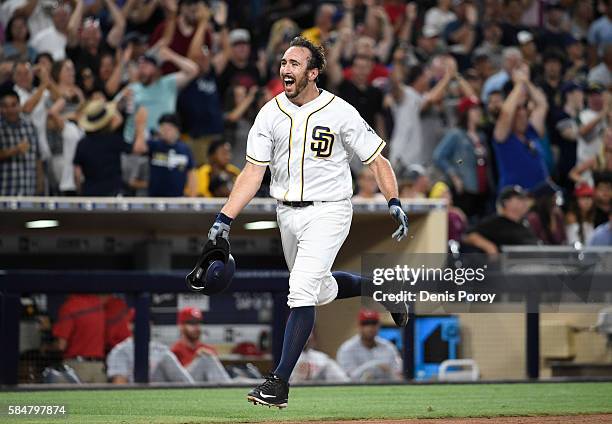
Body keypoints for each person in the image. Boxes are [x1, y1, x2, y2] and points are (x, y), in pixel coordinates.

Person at [205, 36, 409, 408]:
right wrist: (224, 217)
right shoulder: (269, 112)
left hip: (330, 209)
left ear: (313, 73)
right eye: (284, 62)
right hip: (286, 212)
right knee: (319, 290)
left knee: (299, 289)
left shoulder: (341, 111)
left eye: (295, 64)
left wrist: (393, 199)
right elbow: (253, 172)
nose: (286, 68)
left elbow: (377, 160)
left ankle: (278, 383)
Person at [122, 46, 198, 143]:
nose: (141, 69)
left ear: (156, 69)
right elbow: (116, 108)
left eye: (145, 66)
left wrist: (171, 56)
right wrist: (123, 102)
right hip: (135, 142)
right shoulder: (132, 88)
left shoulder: (168, 83)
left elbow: (193, 70)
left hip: (163, 142)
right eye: (140, 66)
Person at [492, 64, 550, 191]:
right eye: (518, 112)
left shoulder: (531, 131)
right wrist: (518, 85)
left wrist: (526, 81)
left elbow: (542, 104)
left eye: (524, 111)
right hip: (515, 199)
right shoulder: (503, 136)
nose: (523, 114)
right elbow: (506, 113)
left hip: (539, 196)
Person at [433, 96, 492, 220]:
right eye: (474, 109)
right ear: (466, 112)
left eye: (478, 109)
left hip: (483, 188)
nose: (478, 112)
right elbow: (438, 156)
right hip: (465, 188)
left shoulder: (481, 136)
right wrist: (454, 176)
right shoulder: (456, 134)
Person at [73, 99, 131, 196]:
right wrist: (111, 108)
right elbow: (118, 120)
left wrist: (80, 191)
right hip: (113, 192)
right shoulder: (114, 140)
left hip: (90, 192)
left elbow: (77, 173)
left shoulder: (82, 144)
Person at [132, 111, 197, 197]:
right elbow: (138, 149)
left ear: (177, 130)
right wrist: (140, 125)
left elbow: (191, 173)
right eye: (162, 128)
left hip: (177, 197)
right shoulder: (154, 145)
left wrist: (193, 195)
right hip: (155, 196)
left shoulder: (184, 149)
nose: (165, 132)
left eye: (168, 129)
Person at [462, 185, 539, 254]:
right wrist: (489, 246)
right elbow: (468, 235)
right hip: (511, 265)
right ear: (506, 203)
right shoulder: (495, 222)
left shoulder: (524, 223)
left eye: (524, 199)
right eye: (519, 199)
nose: (524, 202)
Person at [52, 294, 107, 383]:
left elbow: (61, 345)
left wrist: (45, 347)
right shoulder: (98, 302)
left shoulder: (70, 305)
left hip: (77, 367)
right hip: (98, 367)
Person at [336, 309, 402, 382]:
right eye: (365, 323)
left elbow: (398, 375)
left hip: (386, 389)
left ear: (378, 325)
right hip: (357, 391)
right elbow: (347, 379)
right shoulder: (347, 349)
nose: (370, 327)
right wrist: (375, 365)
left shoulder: (388, 347)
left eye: (373, 323)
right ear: (359, 326)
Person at [0, 87, 43, 195]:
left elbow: (37, 158)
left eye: (14, 105)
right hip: (5, 193)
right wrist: (15, 150)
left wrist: (40, 187)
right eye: (5, 106)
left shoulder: (30, 126)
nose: (10, 110)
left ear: (19, 106)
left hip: (28, 192)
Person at [170, 307, 231, 383]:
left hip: (206, 390)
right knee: (204, 358)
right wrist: (196, 359)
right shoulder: (175, 351)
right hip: (186, 388)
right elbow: (174, 379)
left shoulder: (208, 349)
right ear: (181, 326)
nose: (196, 327)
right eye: (191, 323)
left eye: (198, 322)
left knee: (244, 381)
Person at [107, 335, 194, 384]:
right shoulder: (121, 350)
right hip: (135, 393)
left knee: (204, 360)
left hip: (161, 392)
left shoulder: (159, 348)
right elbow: (120, 385)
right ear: (130, 324)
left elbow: (184, 379)